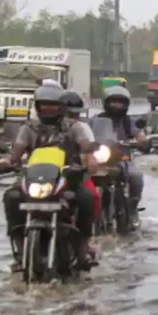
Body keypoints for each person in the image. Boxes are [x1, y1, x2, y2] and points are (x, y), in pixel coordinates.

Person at [0, 85, 100, 272]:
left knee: (87, 197)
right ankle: (20, 252)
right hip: (34, 179)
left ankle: (84, 247)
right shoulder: (28, 128)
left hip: (68, 177)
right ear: (38, 106)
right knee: (11, 197)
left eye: (52, 105)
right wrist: (7, 162)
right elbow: (16, 155)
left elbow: (86, 147)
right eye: (44, 105)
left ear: (61, 106)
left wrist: (90, 158)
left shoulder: (75, 127)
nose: (48, 109)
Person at [89, 86, 148, 226]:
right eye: (114, 102)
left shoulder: (128, 121)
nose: (117, 105)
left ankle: (132, 209)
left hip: (122, 158)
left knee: (136, 177)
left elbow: (139, 134)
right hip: (99, 159)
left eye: (121, 102)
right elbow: (84, 134)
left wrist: (142, 141)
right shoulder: (94, 120)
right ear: (106, 103)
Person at [60, 90, 102, 223]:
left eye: (75, 114)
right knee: (14, 196)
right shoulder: (34, 126)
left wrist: (90, 157)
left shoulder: (79, 127)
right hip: (44, 174)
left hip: (72, 173)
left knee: (90, 196)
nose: (72, 117)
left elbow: (86, 146)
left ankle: (85, 237)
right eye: (69, 113)